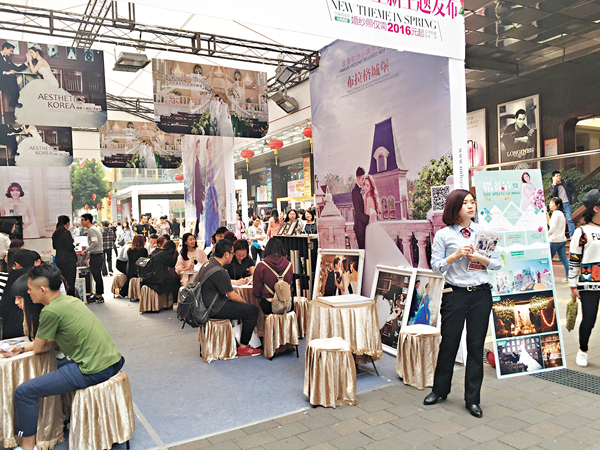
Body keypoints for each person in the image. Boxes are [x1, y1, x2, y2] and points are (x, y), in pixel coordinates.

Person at [2, 265, 124, 450]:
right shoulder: (70, 301)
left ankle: (27, 446)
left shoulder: (50, 311)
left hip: (92, 369)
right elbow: (50, 342)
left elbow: (39, 348)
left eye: (30, 288)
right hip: (112, 361)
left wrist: (23, 347)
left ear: (42, 289)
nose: (28, 293)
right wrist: (21, 348)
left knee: (24, 392)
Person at [424, 189, 501, 419]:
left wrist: (479, 258)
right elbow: (436, 267)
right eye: (465, 202)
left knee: (476, 346)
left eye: (472, 202)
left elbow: (497, 263)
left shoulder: (483, 232)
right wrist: (455, 255)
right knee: (449, 343)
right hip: (454, 294)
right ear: (454, 207)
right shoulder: (443, 235)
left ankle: (473, 399)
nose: (471, 206)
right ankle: (439, 390)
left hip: (481, 295)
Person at [194, 239, 261, 357]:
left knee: (243, 308)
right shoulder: (220, 271)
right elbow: (233, 296)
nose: (233, 255)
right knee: (252, 310)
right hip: (214, 308)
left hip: (203, 305)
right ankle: (243, 347)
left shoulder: (208, 264)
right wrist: (245, 303)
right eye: (232, 253)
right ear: (226, 254)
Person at [569, 189, 600, 367]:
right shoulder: (582, 232)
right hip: (589, 284)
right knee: (589, 319)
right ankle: (583, 350)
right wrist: (573, 286)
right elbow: (574, 260)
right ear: (596, 208)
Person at [0, 249, 36, 339]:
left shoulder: (14, 275)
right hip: (36, 318)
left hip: (15, 319)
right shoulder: (39, 274)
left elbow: (6, 300)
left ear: (16, 264)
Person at [252, 238, 293, 315]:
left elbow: (256, 292)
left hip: (268, 305)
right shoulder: (289, 265)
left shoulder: (261, 266)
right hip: (287, 304)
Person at [81, 213, 104, 303]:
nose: (81, 222)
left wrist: (86, 250)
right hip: (97, 254)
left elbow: (94, 242)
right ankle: (98, 294)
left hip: (97, 255)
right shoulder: (94, 229)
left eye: (82, 220)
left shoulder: (91, 230)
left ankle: (99, 295)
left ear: (88, 220)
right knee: (97, 275)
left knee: (97, 275)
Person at [52, 215, 76, 296]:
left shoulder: (55, 233)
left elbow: (54, 246)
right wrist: (74, 245)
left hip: (59, 259)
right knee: (70, 281)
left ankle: (64, 297)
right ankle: (71, 297)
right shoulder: (66, 233)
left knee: (63, 280)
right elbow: (69, 247)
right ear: (67, 223)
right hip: (69, 260)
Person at [547, 197, 569, 283]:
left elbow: (553, 228)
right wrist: (547, 217)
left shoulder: (556, 214)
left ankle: (548, 279)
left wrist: (547, 234)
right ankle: (568, 277)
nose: (550, 204)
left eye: (552, 203)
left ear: (558, 205)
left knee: (548, 260)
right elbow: (552, 224)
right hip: (561, 240)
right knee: (564, 260)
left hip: (554, 241)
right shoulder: (560, 213)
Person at [0, 42, 26, 109]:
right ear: (5, 48)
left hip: (4, 81)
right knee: (11, 77)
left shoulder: (8, 59)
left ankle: (13, 102)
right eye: (10, 51)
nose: (11, 53)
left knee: (12, 77)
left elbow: (17, 68)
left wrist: (26, 63)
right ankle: (13, 102)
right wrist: (5, 72)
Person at [550, 170, 576, 237]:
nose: (559, 177)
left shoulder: (565, 182)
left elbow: (573, 188)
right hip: (559, 205)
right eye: (557, 176)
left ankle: (572, 235)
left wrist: (569, 194)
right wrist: (554, 185)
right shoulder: (553, 186)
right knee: (559, 220)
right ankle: (559, 235)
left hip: (566, 202)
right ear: (553, 177)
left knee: (569, 219)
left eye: (559, 175)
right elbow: (554, 195)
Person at [204, 139, 220, 240]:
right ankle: (212, 240)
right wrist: (214, 200)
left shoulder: (209, 162)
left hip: (211, 193)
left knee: (211, 220)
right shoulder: (208, 163)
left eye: (211, 146)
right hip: (211, 193)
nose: (211, 148)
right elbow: (210, 181)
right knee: (212, 219)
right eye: (209, 146)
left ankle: (210, 240)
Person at [352, 167, 369, 249]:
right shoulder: (354, 191)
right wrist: (368, 219)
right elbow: (358, 211)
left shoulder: (362, 189)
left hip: (364, 226)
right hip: (359, 227)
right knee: (363, 250)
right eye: (362, 179)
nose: (364, 181)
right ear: (357, 178)